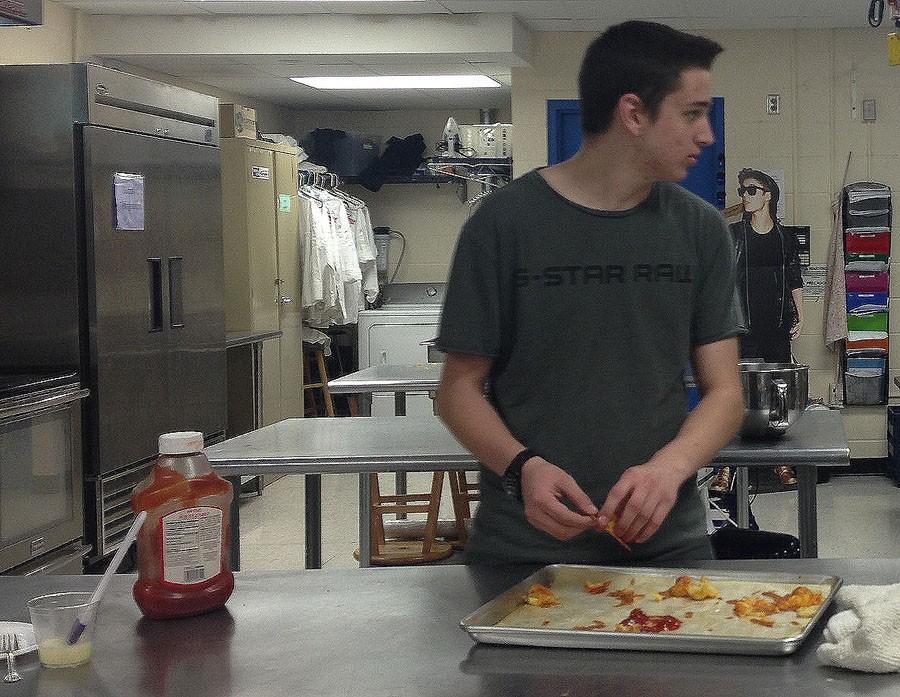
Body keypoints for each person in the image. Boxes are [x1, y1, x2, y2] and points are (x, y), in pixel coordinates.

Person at [435, 20, 745, 566]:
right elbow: (458, 390)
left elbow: (724, 392)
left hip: (667, 545)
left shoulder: (701, 230)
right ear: (633, 113)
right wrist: (522, 466)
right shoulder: (503, 224)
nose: (708, 135)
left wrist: (669, 469)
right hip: (526, 551)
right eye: (693, 114)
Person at [710, 169, 803, 492]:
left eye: (752, 190)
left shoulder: (784, 238)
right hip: (742, 325)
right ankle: (728, 468)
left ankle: (780, 462)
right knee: (736, 395)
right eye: (742, 190)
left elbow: (794, 278)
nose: (745, 195)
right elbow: (721, 278)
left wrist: (800, 316)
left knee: (777, 395)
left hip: (776, 325)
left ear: (768, 195)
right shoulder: (734, 234)